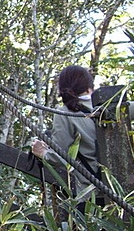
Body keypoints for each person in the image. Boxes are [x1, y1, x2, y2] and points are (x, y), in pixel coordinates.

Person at [31, 65, 100, 206]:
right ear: (89, 87)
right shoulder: (113, 106)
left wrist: (43, 152)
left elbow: (62, 156)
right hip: (125, 190)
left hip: (91, 194)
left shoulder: (64, 113)